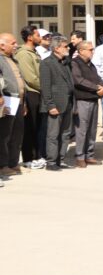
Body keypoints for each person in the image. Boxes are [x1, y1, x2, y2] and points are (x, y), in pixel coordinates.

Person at [39, 35, 74, 170]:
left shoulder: (65, 62)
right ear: (57, 48)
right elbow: (45, 86)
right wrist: (50, 105)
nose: (68, 48)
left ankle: (61, 159)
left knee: (65, 134)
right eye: (65, 46)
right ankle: (51, 162)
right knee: (53, 135)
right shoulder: (47, 63)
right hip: (55, 105)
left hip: (68, 103)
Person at [70, 40, 103, 167]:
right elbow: (78, 80)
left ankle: (89, 155)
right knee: (82, 130)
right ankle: (80, 156)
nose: (92, 51)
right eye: (90, 49)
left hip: (93, 99)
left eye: (93, 49)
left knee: (92, 129)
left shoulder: (91, 64)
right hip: (82, 100)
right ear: (81, 51)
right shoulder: (75, 63)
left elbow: (98, 78)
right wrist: (96, 88)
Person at [14, 25, 44, 168]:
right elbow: (30, 78)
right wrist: (46, 88)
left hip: (38, 93)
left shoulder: (34, 52)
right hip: (31, 93)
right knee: (29, 128)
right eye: (37, 35)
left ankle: (36, 156)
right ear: (30, 37)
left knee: (37, 127)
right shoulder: (24, 54)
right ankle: (28, 159)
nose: (40, 37)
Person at [0, 32, 27, 180]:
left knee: (17, 133)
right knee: (5, 134)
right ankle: (3, 165)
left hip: (19, 101)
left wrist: (24, 103)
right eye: (13, 43)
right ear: (2, 45)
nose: (16, 45)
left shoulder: (13, 59)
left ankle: (13, 162)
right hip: (7, 101)